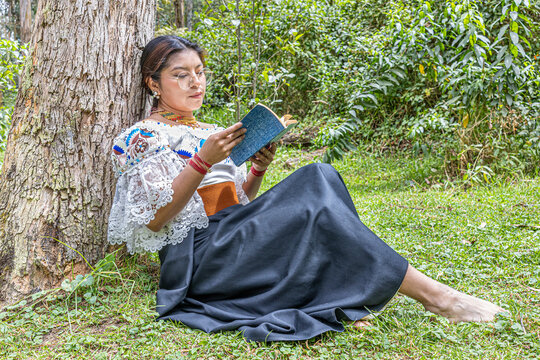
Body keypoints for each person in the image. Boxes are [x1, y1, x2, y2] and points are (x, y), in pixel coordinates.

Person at [107, 35, 504, 342]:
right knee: (315, 180)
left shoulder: (212, 132)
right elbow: (156, 220)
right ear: (153, 84)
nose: (196, 82)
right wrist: (202, 161)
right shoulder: (141, 137)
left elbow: (239, 204)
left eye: (200, 72)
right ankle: (439, 299)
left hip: (235, 238)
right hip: (201, 258)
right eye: (181, 74)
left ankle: (397, 291)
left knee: (322, 175)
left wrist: (257, 171)